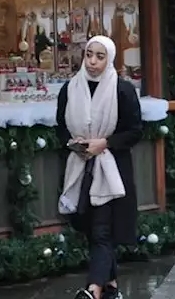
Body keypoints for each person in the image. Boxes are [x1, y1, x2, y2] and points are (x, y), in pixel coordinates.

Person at [56, 36, 143, 299]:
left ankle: (93, 291)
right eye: (89, 55)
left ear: (110, 59)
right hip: (80, 168)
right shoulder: (70, 88)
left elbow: (135, 131)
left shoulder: (122, 90)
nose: (93, 62)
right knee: (90, 227)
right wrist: (74, 144)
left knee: (103, 229)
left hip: (111, 169)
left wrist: (105, 143)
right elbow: (60, 127)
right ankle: (111, 286)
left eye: (100, 56)